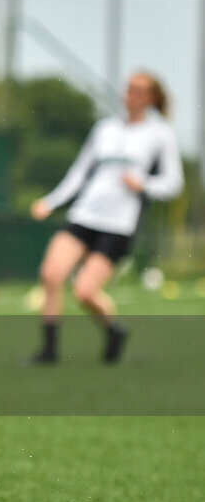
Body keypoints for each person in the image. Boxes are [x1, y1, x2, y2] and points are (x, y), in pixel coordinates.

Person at [29, 71, 183, 363]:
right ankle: (49, 351)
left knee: (84, 291)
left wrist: (145, 184)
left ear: (151, 97)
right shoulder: (105, 129)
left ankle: (113, 331)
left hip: (118, 225)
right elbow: (79, 173)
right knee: (51, 274)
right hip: (84, 215)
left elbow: (173, 183)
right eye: (128, 89)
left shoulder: (160, 134)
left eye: (138, 90)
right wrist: (51, 201)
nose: (130, 95)